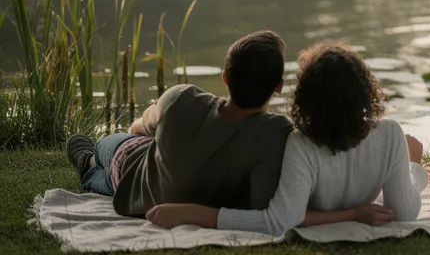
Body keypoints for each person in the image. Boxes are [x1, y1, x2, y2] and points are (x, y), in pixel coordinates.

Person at [145, 41, 428, 236]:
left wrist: (191, 212)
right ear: (365, 92)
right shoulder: (390, 134)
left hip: (149, 156)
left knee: (120, 147)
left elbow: (278, 219)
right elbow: (405, 212)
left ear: (304, 98)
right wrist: (415, 167)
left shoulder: (300, 144)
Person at [65, 30, 296, 217]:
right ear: (279, 86)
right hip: (160, 193)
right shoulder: (278, 132)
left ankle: (88, 161)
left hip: (144, 186)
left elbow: (137, 129)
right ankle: (91, 168)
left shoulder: (181, 98)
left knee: (108, 147)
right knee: (118, 173)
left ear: (225, 77)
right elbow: (262, 202)